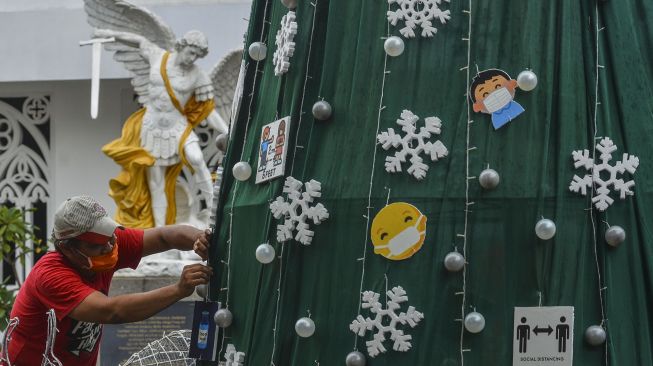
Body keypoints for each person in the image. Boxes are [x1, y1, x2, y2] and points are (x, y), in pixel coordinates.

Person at [1, 195, 214, 365]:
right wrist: (178, 289)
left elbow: (164, 236)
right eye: (96, 245)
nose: (109, 248)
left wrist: (200, 239)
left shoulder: (107, 244)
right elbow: (112, 311)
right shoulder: (51, 276)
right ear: (67, 247)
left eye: (111, 237)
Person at [99, 29, 229, 228]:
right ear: (182, 46)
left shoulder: (198, 75)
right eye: (191, 52)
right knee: (156, 184)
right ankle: (159, 234)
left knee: (196, 158)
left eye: (197, 55)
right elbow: (139, 39)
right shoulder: (157, 56)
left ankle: (213, 208)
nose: (193, 58)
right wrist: (109, 34)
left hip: (178, 126)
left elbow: (208, 111)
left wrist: (227, 131)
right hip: (152, 128)